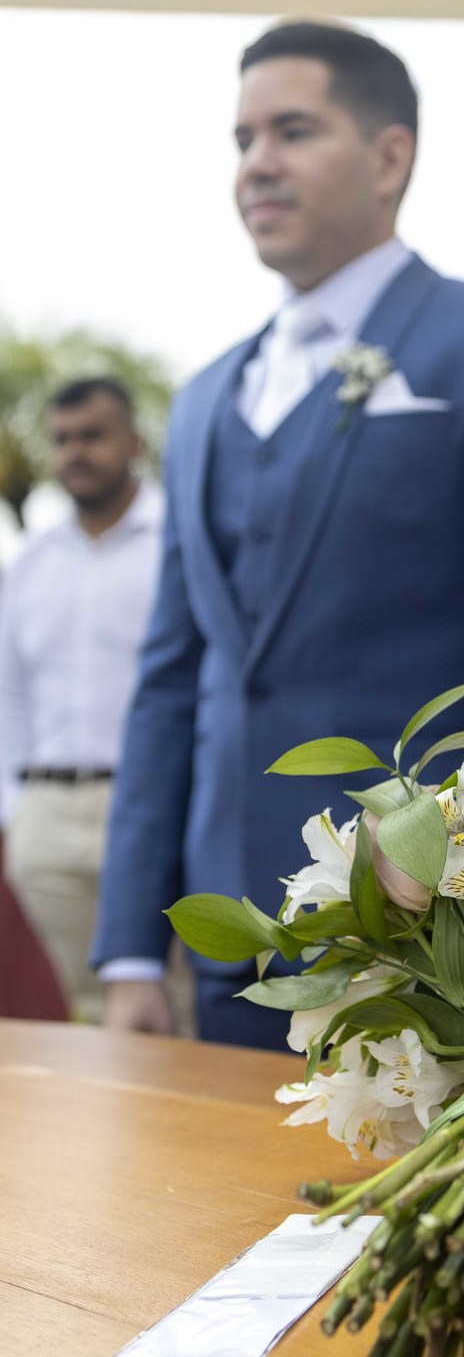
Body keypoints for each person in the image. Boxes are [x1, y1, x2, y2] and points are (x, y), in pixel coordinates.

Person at [94, 21, 464, 1049]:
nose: (256, 164)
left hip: (425, 933)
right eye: (241, 140)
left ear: (390, 155)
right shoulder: (200, 400)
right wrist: (132, 947)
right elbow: (172, 680)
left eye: (292, 130)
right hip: (226, 942)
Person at [0, 379, 165, 1020]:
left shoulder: (177, 543)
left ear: (134, 442)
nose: (75, 452)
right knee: (83, 1010)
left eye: (92, 435)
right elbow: (9, 691)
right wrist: (16, 811)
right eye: (62, 439)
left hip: (147, 810)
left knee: (167, 1004)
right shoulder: (32, 562)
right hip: (46, 816)